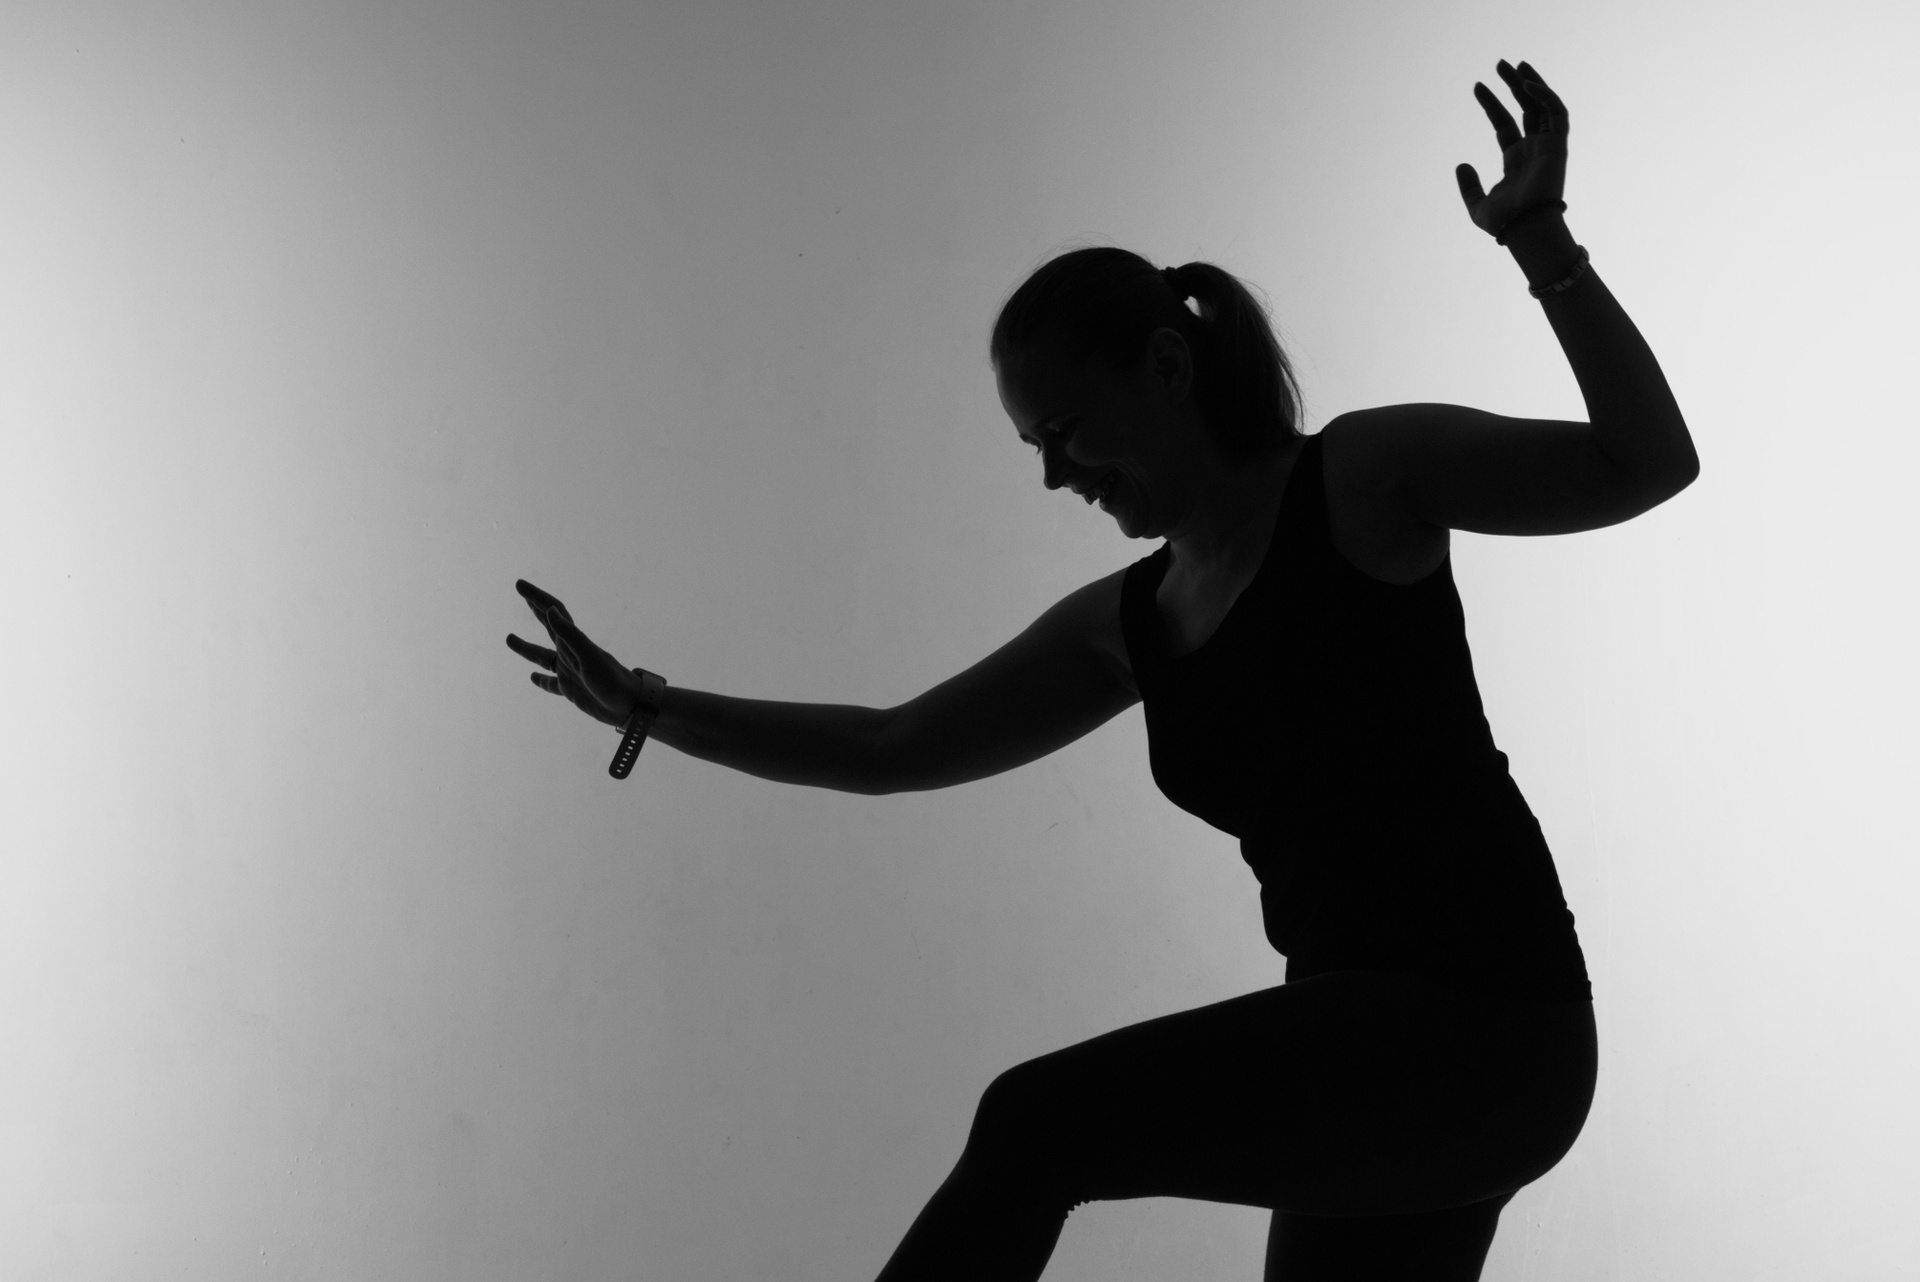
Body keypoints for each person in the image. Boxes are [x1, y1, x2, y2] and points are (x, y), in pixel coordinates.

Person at [506, 59, 1696, 1282]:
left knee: (1039, 1123)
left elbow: (1646, 461)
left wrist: (1542, 241)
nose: (1054, 475)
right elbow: (890, 745)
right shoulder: (1128, 622)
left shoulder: (1361, 479)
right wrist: (649, 704)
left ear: (1168, 371)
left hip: (1488, 1026)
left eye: (1067, 431)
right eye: (1034, 446)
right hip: (1359, 1048)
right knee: (1055, 1133)